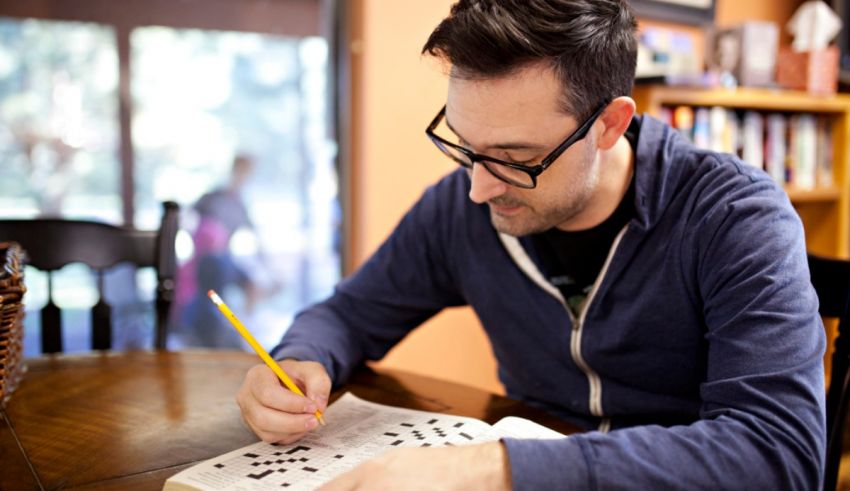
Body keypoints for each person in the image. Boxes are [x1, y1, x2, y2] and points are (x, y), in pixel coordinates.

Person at [236, 1, 826, 489]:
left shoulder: (733, 217)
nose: (477, 188)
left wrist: (496, 467)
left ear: (610, 124)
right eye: (465, 145)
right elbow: (348, 314)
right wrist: (296, 363)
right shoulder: (458, 210)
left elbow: (778, 451)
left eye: (515, 160)